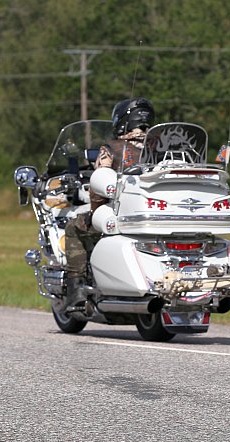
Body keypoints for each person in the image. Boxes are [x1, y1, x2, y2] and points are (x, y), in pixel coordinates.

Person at [63, 97, 156, 308]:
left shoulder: (111, 149)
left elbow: (98, 185)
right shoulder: (161, 147)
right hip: (157, 216)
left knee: (74, 228)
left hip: (124, 217)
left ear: (122, 121)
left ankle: (75, 290)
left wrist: (96, 214)